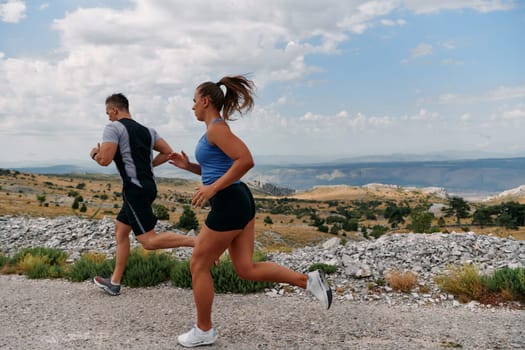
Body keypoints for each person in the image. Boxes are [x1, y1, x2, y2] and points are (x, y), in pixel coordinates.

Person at [168, 76, 332, 348]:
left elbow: (246, 160)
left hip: (230, 201)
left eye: (194, 101)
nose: (192, 106)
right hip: (238, 199)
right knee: (246, 268)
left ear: (206, 101)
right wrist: (190, 168)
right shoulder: (212, 130)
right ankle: (309, 281)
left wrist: (211, 190)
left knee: (198, 264)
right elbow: (218, 167)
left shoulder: (216, 130)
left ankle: (204, 330)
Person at [89, 93, 195, 296]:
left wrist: (94, 153)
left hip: (134, 189)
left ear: (114, 109)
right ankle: (115, 282)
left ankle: (198, 242)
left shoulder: (113, 128)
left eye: (107, 113)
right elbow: (168, 152)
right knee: (121, 230)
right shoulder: (148, 131)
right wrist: (147, 164)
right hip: (148, 186)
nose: (108, 117)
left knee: (148, 241)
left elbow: (104, 160)